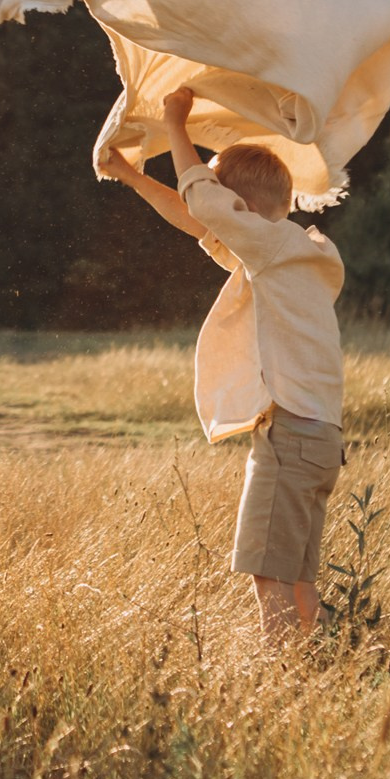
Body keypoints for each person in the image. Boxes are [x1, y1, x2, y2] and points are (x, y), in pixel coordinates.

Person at [100, 86, 349, 641]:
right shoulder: (296, 254)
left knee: (269, 572)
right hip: (321, 440)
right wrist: (132, 177)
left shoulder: (274, 250)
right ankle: (332, 659)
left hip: (290, 434)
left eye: (224, 198)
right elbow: (199, 218)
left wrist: (174, 121)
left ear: (249, 212)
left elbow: (206, 204)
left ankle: (283, 673)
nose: (211, 201)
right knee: (299, 577)